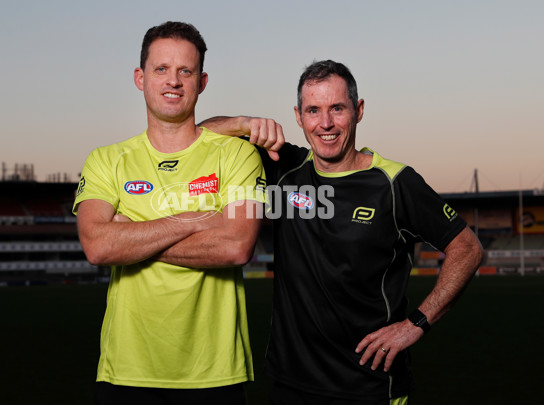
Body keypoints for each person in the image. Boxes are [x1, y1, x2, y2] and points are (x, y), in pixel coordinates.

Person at [202, 60, 483, 404]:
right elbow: (200, 136)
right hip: (290, 387)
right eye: (313, 110)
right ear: (298, 116)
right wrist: (244, 123)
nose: (325, 123)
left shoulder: (394, 183)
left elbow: (467, 248)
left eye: (337, 108)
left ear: (358, 110)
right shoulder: (285, 169)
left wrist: (415, 324)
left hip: (369, 388)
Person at [73, 21, 265, 405]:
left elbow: (235, 247)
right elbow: (97, 246)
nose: (173, 81)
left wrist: (132, 237)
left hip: (215, 375)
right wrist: (196, 219)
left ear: (202, 81)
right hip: (126, 373)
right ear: (140, 77)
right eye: (161, 69)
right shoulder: (106, 161)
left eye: (185, 71)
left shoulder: (238, 154)